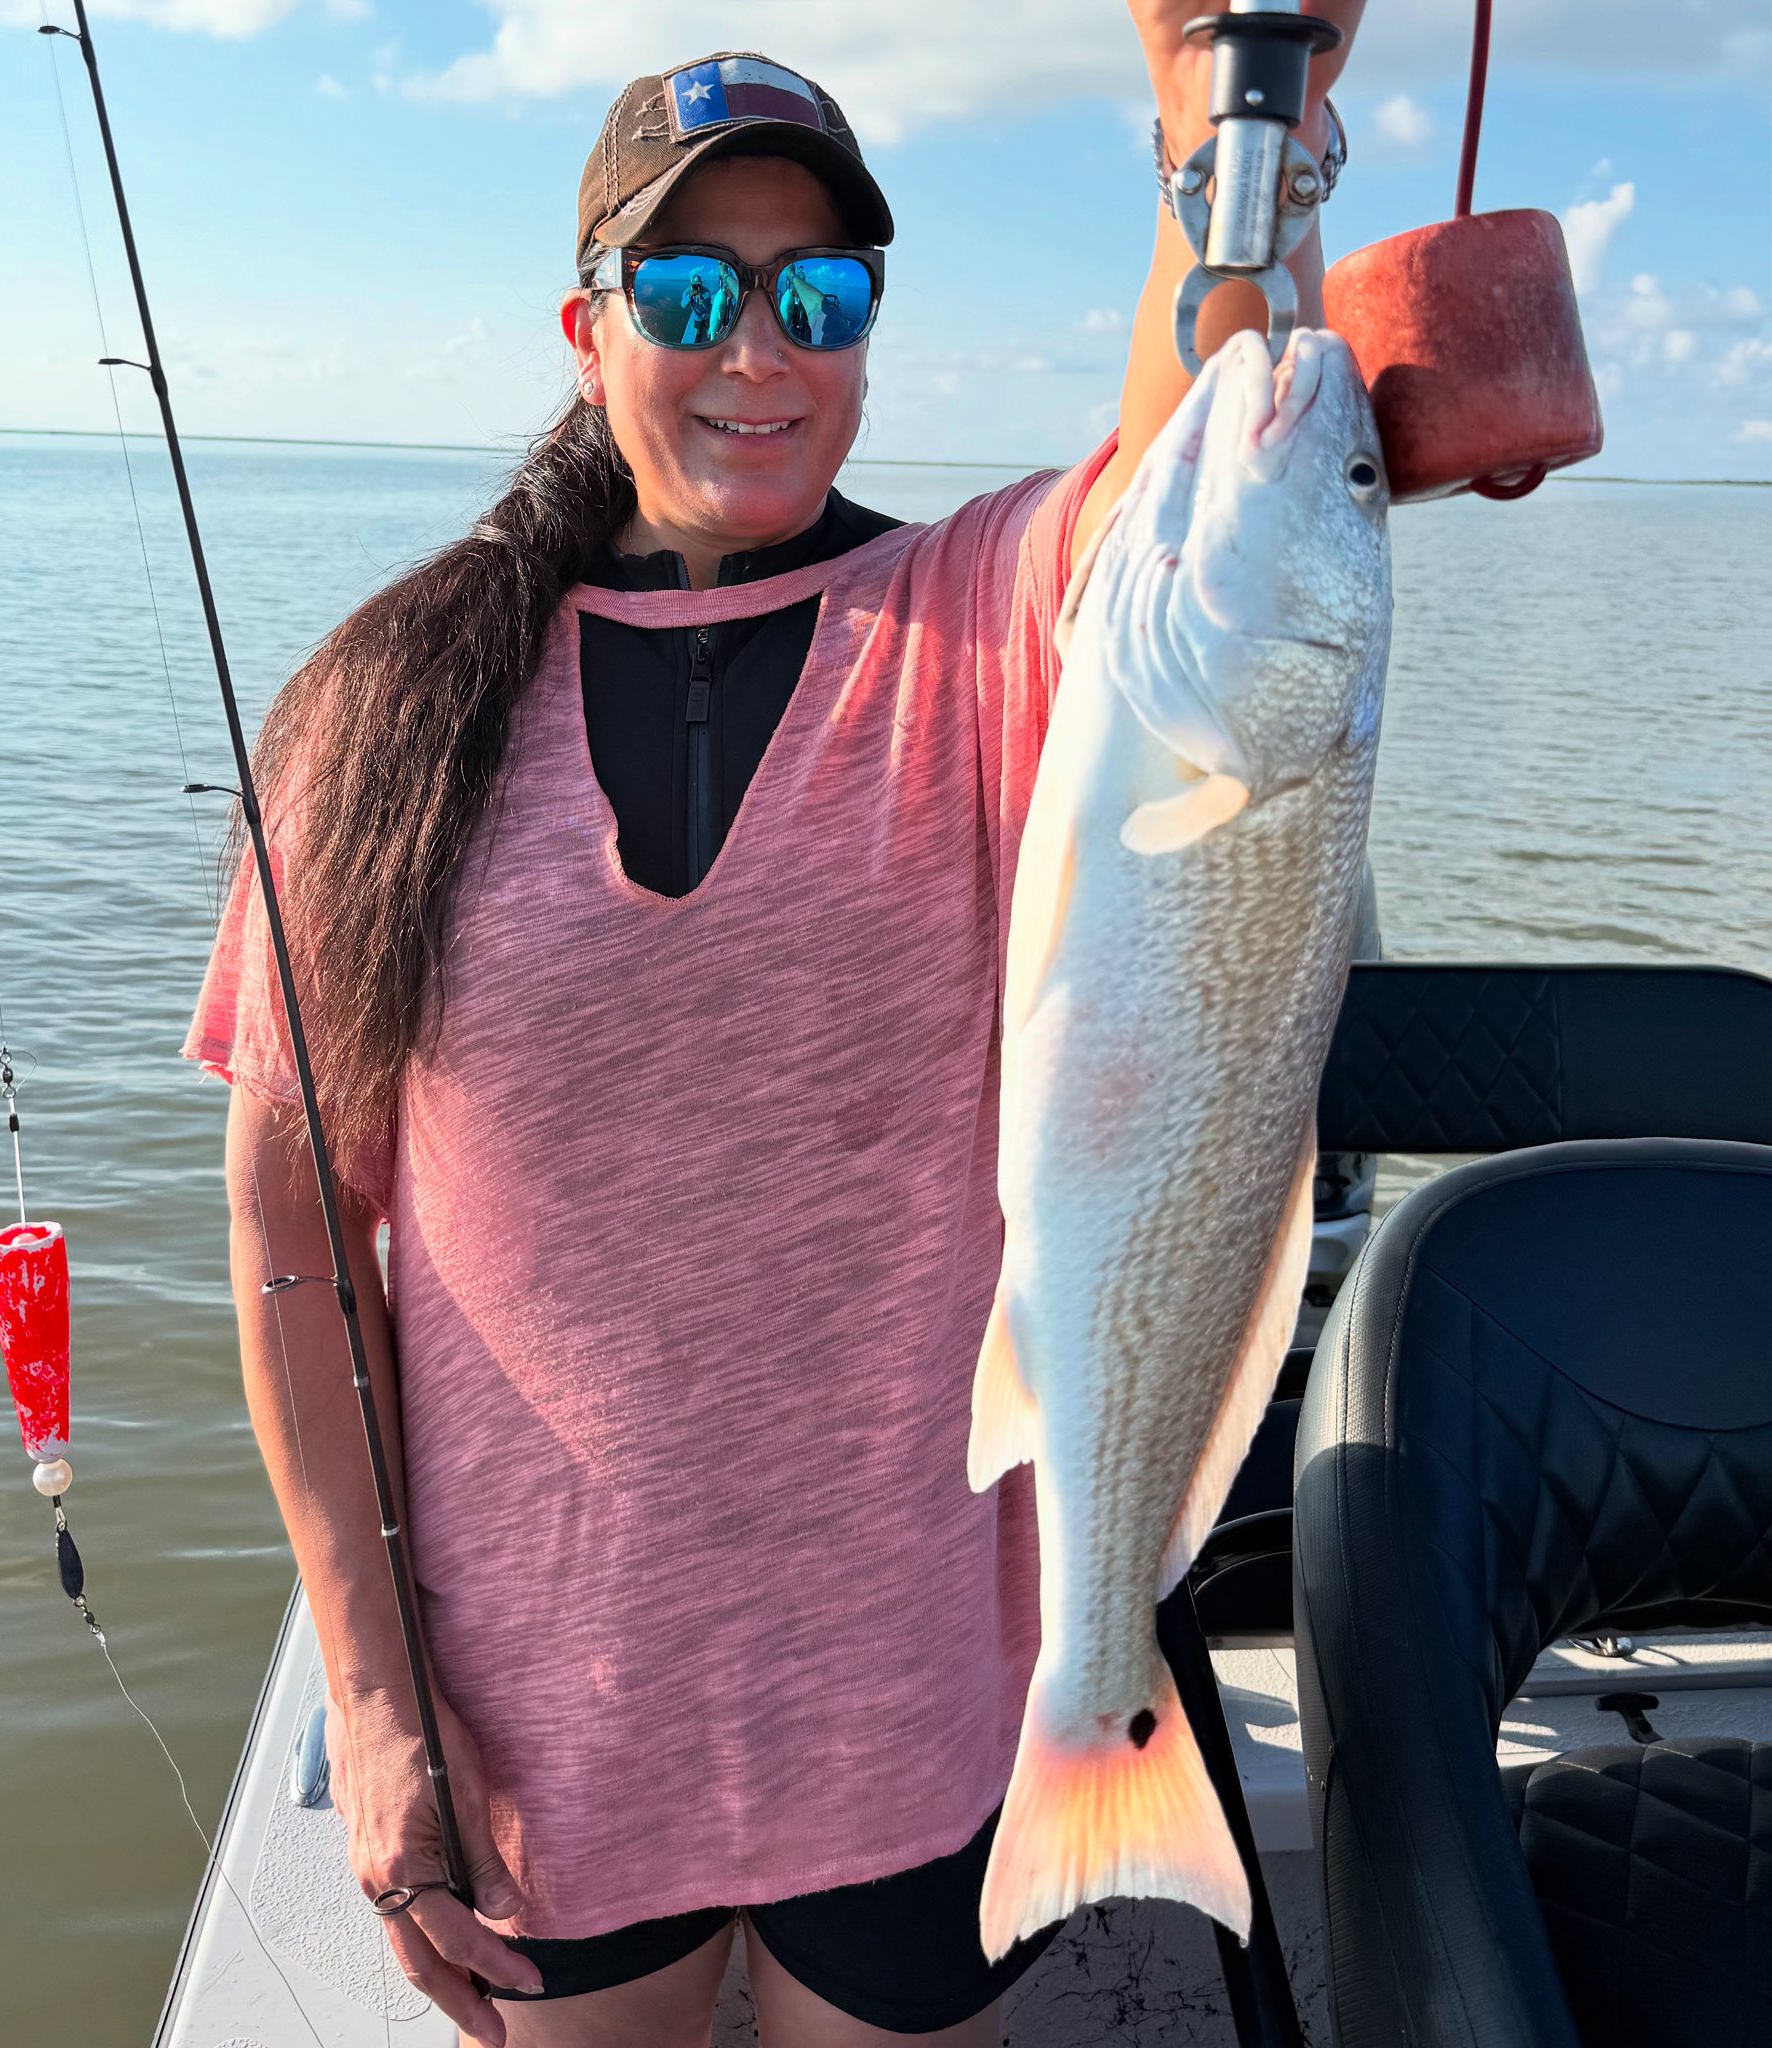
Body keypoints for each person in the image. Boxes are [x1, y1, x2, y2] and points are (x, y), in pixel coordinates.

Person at [183, 9, 1364, 2045]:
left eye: (817, 296)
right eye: (687, 292)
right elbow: (293, 1231)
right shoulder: (383, 706)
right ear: (587, 331)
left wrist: (1234, 116)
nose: (758, 349)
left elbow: (1213, 441)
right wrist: (374, 1702)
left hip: (920, 1698)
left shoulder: (982, 618)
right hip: (543, 1714)